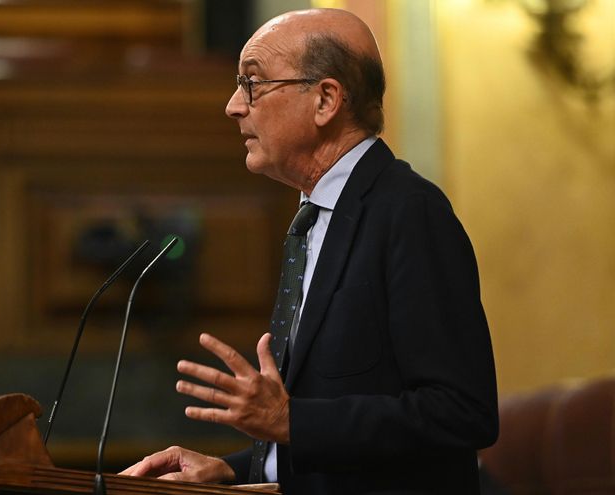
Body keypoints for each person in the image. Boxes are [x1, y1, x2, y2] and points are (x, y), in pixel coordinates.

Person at [121, 8, 498, 494]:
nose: (234, 105)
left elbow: (462, 413)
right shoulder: (313, 217)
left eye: (253, 83)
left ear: (325, 100)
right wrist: (235, 468)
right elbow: (327, 419)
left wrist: (291, 421)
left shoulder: (408, 213)